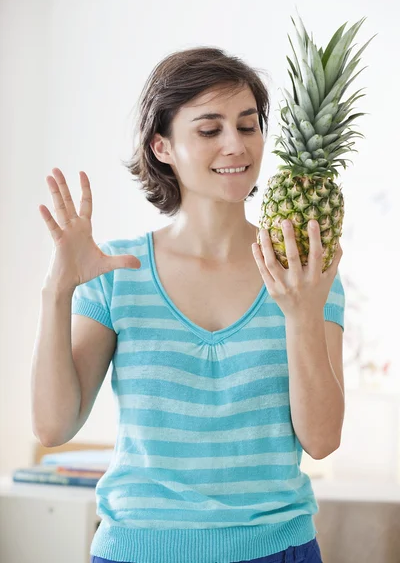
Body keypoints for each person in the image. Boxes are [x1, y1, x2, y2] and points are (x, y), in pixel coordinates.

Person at [31, 46, 345, 563]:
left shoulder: (306, 270)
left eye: (248, 126)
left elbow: (323, 439)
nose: (235, 146)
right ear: (162, 146)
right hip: (137, 550)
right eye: (209, 129)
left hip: (275, 549)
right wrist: (57, 290)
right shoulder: (116, 270)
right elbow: (53, 426)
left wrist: (301, 314)